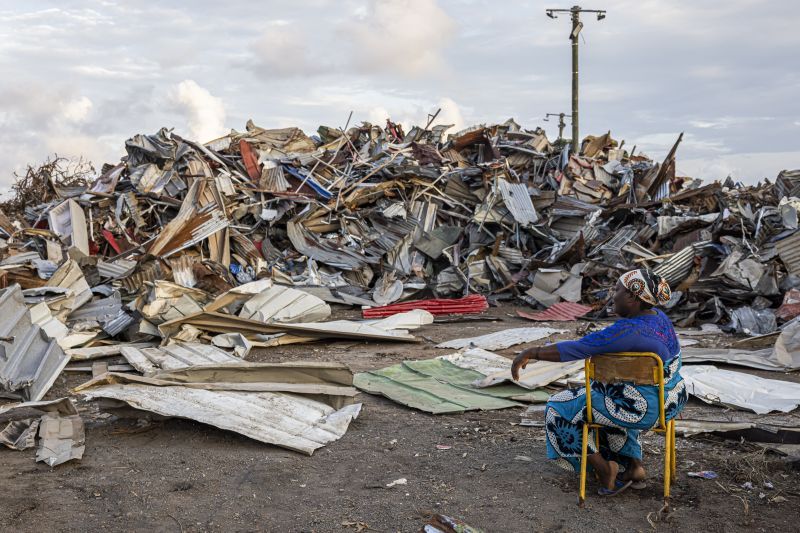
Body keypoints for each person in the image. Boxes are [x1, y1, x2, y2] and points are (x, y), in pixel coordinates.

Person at [511, 269, 687, 496]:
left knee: (559, 407)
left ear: (633, 298)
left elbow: (580, 348)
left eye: (618, 290)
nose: (612, 296)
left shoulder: (629, 331)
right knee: (605, 395)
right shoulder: (660, 318)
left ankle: (605, 470)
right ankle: (634, 466)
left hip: (642, 409)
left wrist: (532, 351)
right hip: (670, 400)